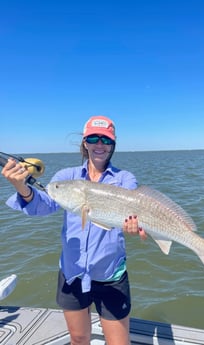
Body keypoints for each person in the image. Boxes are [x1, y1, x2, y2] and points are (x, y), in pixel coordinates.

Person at [1, 115, 147, 345]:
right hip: (72, 273)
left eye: (105, 140)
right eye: (93, 138)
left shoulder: (124, 178)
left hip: (110, 274)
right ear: (85, 143)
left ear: (113, 143)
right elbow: (44, 204)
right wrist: (22, 188)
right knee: (78, 339)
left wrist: (134, 224)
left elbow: (133, 208)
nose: (99, 145)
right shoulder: (65, 177)